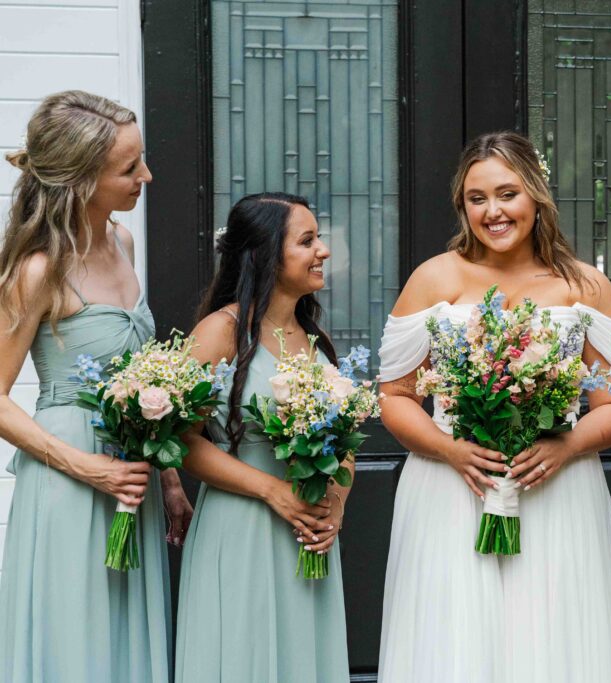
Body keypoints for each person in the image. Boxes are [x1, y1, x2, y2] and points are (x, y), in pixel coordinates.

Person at [376, 131, 611, 682]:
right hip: (451, 488)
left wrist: (567, 445)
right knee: (453, 641)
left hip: (555, 488)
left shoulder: (583, 285)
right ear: (462, 206)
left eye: (506, 194)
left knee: (550, 637)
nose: (493, 211)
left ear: (535, 196)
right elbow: (396, 397)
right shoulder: (433, 279)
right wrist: (450, 450)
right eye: (477, 199)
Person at [0, 90, 188, 682]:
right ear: (81, 180)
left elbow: (140, 372)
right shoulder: (36, 270)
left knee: (127, 635)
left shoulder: (123, 242)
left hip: (134, 475)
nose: (146, 177)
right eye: (130, 168)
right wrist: (88, 468)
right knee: (76, 642)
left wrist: (172, 476)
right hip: (69, 478)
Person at [175, 193, 351, 682]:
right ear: (266, 253)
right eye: (307, 240)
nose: (323, 251)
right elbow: (185, 442)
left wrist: (336, 503)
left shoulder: (314, 336)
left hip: (306, 535)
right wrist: (274, 491)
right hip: (243, 527)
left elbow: (343, 440)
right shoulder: (220, 332)